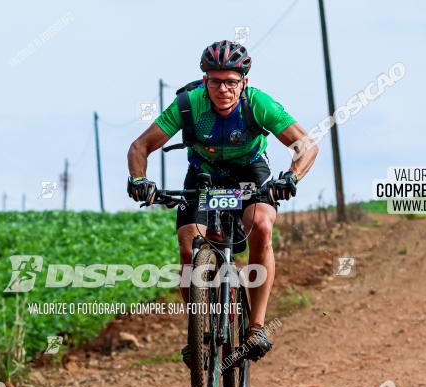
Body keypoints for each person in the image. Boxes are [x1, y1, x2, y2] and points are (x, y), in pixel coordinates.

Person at [126, 40, 319, 365]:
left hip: (250, 172)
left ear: (244, 82)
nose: (223, 89)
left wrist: (291, 177)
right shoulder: (189, 105)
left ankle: (256, 325)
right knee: (188, 246)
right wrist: (139, 180)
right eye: (215, 81)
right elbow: (139, 146)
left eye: (231, 81)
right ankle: (197, 328)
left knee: (261, 225)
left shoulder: (259, 104)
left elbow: (306, 144)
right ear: (205, 81)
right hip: (204, 176)